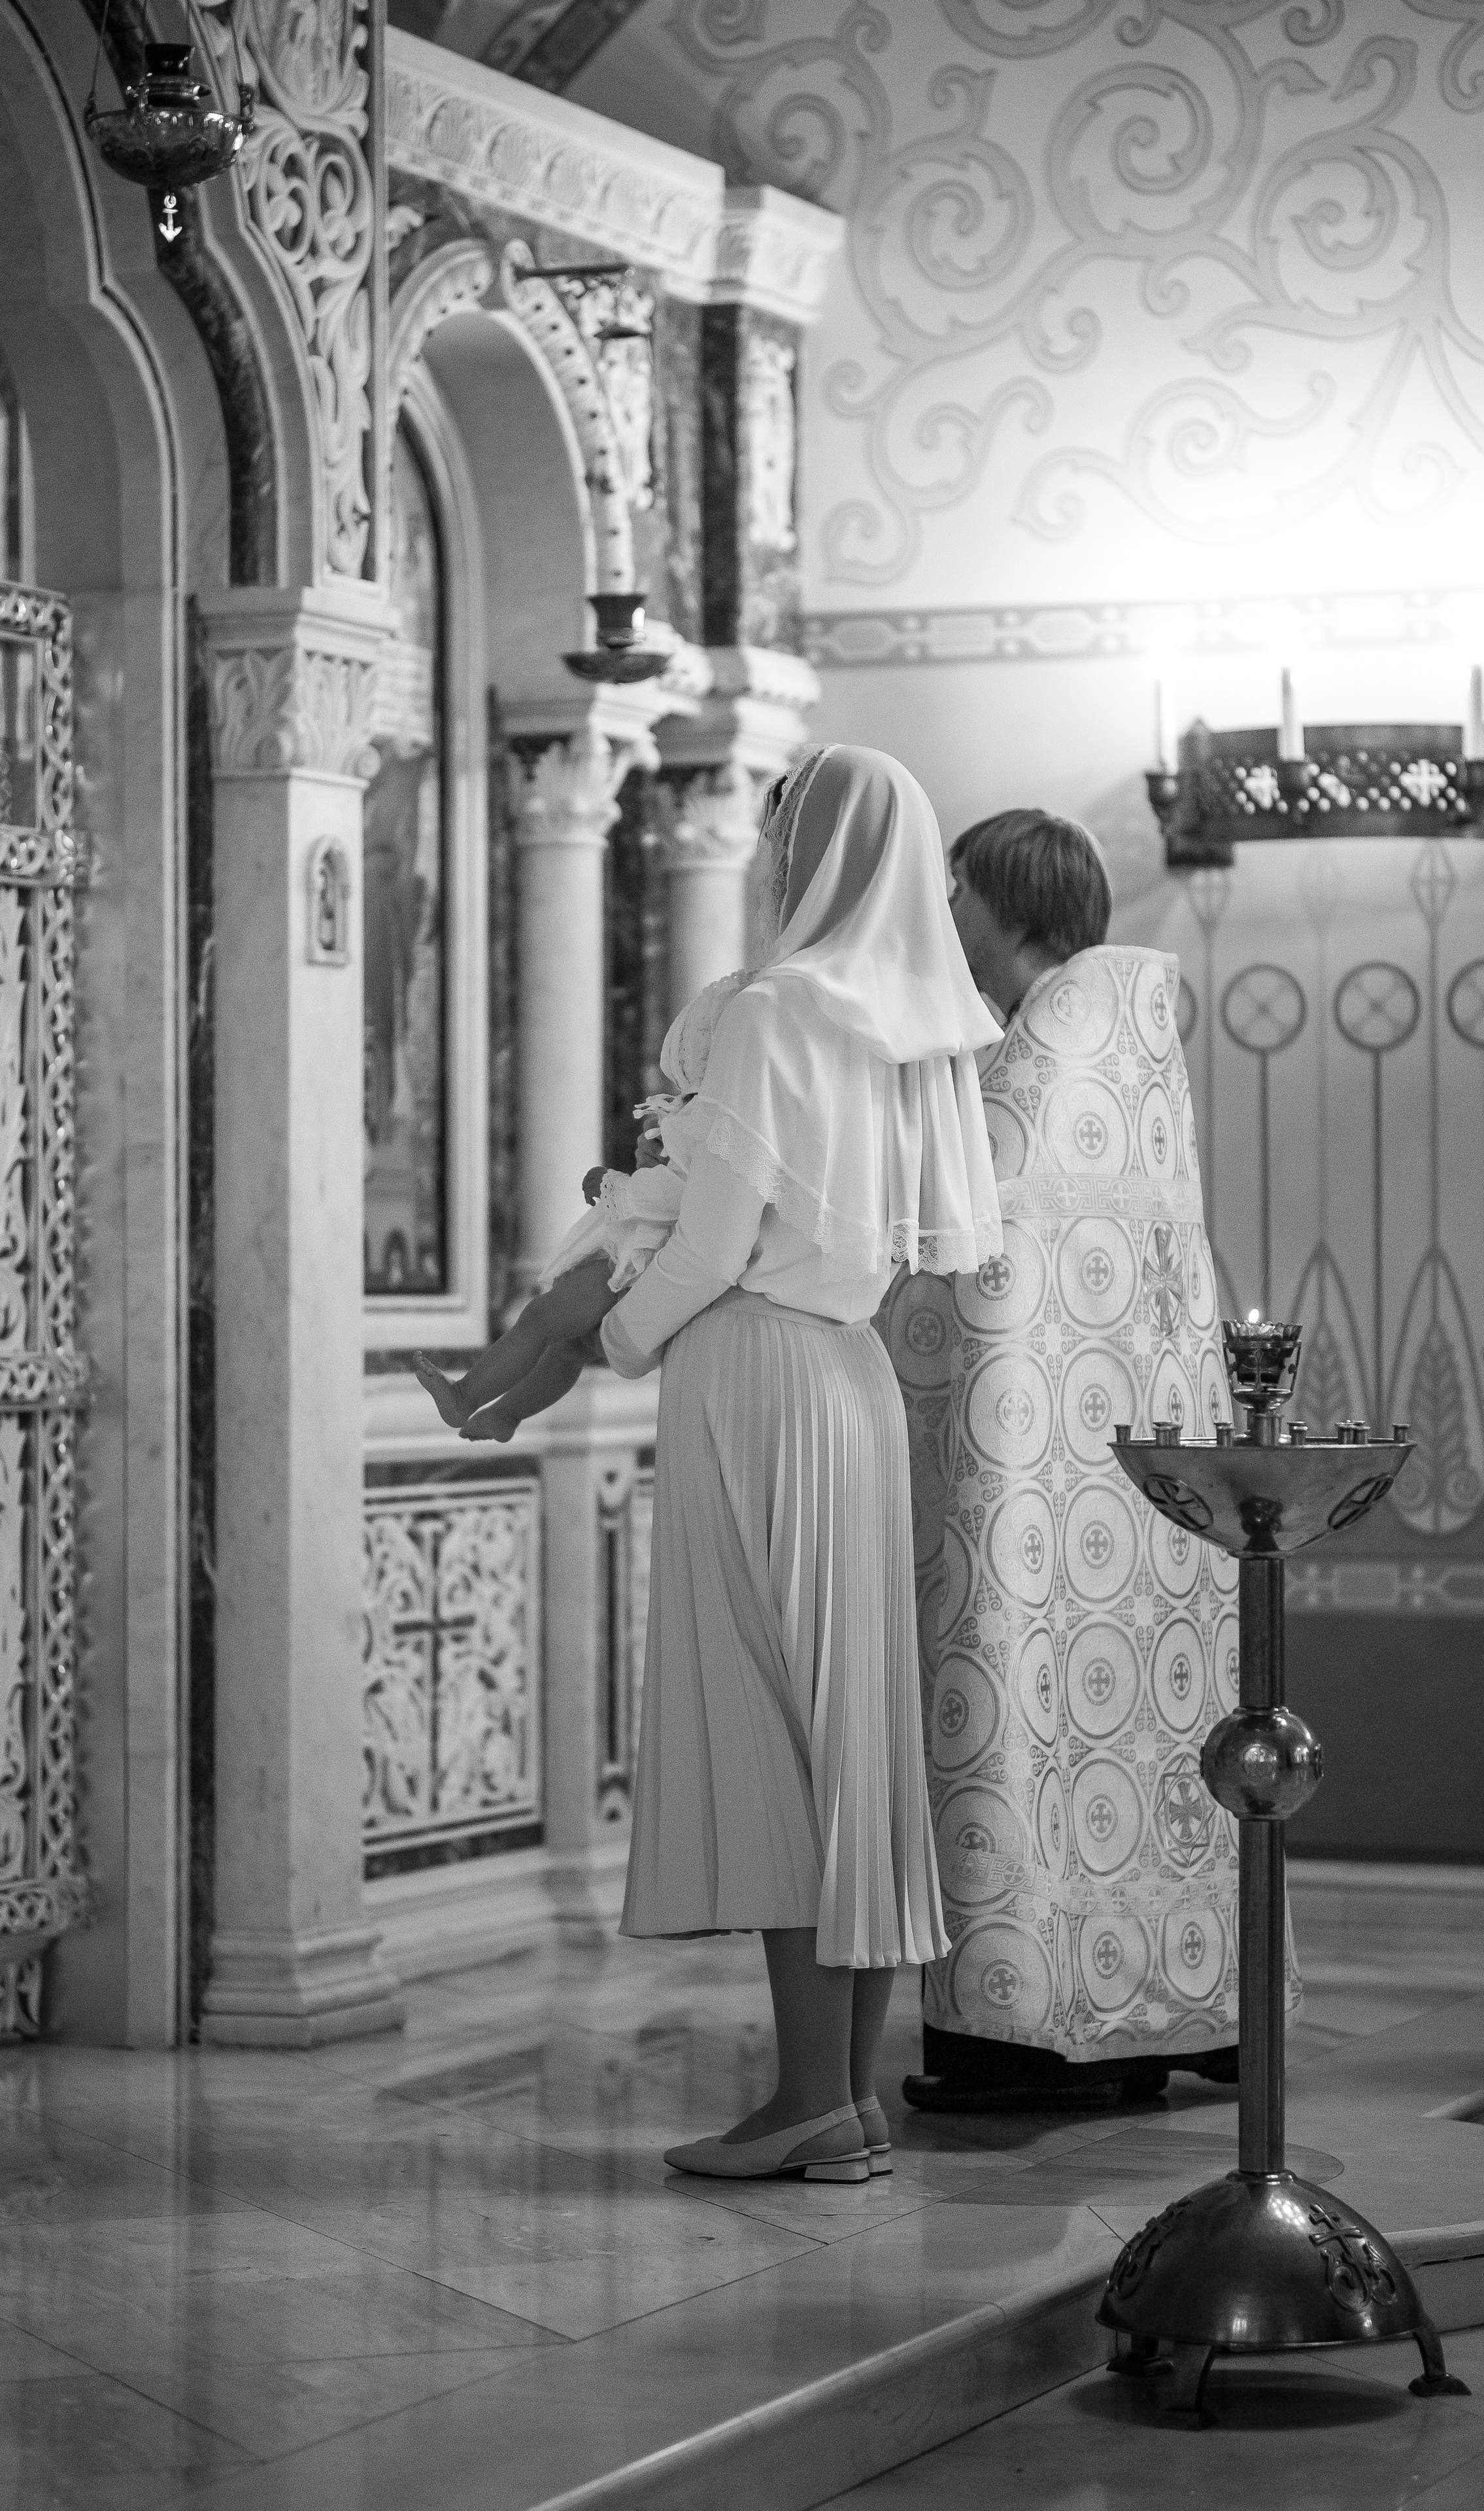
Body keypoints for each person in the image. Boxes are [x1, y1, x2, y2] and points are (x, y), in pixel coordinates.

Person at [601, 745, 1004, 2183]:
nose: (767, 856)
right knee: (856, 1738)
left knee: (771, 1727)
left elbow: (712, 1242)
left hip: (754, 1372)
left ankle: (803, 2104)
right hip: (851, 1380)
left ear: (812, 851)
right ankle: (849, 2099)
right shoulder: (908, 1031)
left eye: (780, 830)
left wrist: (616, 1330)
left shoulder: (774, 1012)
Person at [884, 808, 1266, 2111]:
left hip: (1026, 1480)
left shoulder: (1023, 1064)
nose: (945, 919)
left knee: (1024, 1707)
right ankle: (1170, 2014)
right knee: (1150, 1729)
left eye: (957, 895)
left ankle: (1024, 2040)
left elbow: (956, 1264)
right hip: (1134, 1483)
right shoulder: (1126, 1047)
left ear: (1005, 903)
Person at [412, 970, 749, 1440]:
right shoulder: (701, 1114)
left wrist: (616, 1186)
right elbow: (673, 1175)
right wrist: (645, 1161)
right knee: (568, 1345)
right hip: (640, 1246)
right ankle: (508, 1413)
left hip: (641, 1256)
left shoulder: (716, 1122)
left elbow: (680, 1192)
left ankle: (467, 1395)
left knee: (543, 1320)